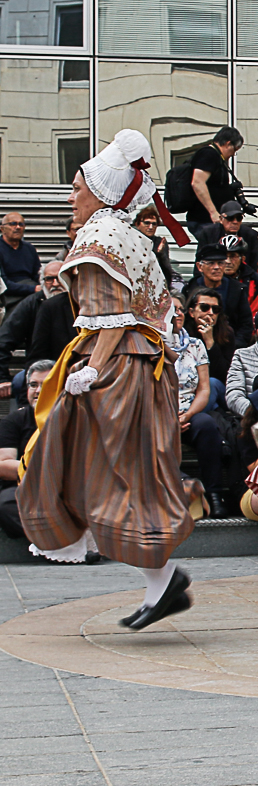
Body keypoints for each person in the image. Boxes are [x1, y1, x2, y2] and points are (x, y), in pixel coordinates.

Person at [19, 129, 201, 627]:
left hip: (118, 369)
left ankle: (160, 579)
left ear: (99, 192)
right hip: (145, 368)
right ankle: (163, 583)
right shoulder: (132, 237)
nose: (70, 196)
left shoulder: (97, 237)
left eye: (76, 188)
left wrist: (93, 369)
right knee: (127, 476)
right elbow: (153, 312)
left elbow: (113, 316)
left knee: (74, 466)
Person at [168, 294, 232, 518]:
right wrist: (169, 420)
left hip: (189, 409)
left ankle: (214, 495)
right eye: (171, 309)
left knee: (206, 424)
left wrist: (187, 415)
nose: (178, 314)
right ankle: (178, 489)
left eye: (180, 309)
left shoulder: (195, 345)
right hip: (159, 413)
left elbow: (205, 388)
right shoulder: (148, 344)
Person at [0, 360, 52, 541]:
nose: (37, 390)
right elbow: (4, 465)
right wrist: (44, 470)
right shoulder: (14, 421)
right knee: (6, 504)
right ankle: (53, 540)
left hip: (67, 487)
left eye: (45, 385)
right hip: (24, 486)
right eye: (33, 385)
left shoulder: (76, 418)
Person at [0, 260, 64, 399]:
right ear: (42, 282)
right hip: (40, 371)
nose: (55, 284)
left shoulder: (79, 304)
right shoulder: (31, 304)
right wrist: (2, 378)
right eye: (49, 279)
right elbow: (4, 340)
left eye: (60, 278)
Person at [185, 127, 244, 236]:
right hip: (205, 219)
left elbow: (214, 186)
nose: (232, 155)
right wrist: (213, 213)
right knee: (214, 251)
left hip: (212, 219)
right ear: (227, 143)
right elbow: (197, 182)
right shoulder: (209, 154)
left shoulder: (217, 157)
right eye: (234, 150)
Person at [190, 244, 253, 346]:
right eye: (211, 263)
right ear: (200, 266)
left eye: (221, 263)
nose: (217, 267)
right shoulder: (190, 288)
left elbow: (246, 324)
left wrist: (235, 346)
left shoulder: (237, 289)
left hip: (228, 345)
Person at [186, 287, 234, 386]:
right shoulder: (183, 332)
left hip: (215, 385)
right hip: (187, 384)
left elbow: (225, 374)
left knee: (211, 383)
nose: (210, 312)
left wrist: (210, 342)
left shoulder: (226, 333)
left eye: (215, 309)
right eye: (204, 307)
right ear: (191, 312)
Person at [196, 199, 258, 266]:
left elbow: (257, 263)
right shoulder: (208, 233)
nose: (235, 222)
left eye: (239, 218)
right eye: (230, 218)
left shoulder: (250, 235)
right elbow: (200, 261)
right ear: (221, 219)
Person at [0, 212, 41, 311]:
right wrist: (33, 289)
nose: (17, 227)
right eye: (13, 224)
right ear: (2, 229)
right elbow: (3, 285)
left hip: (32, 293)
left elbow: (37, 275)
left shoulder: (29, 248)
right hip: (8, 295)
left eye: (21, 224)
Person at [133, 207, 180, 290]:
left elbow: (166, 269)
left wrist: (160, 254)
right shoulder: (131, 240)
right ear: (137, 224)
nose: (151, 227)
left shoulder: (159, 242)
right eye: (147, 223)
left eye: (154, 224)